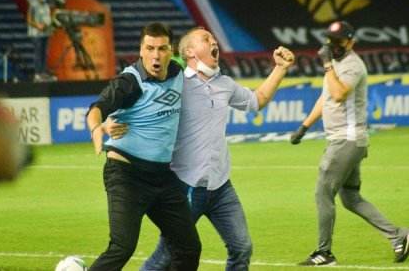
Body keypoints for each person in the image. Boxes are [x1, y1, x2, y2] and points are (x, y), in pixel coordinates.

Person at [119, 26, 293, 270]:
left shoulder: (226, 84)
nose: (214, 42)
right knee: (167, 255)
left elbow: (256, 101)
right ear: (190, 51)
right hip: (185, 187)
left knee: (242, 248)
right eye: (206, 39)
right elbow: (141, 100)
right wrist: (110, 120)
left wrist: (281, 68)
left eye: (213, 38)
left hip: (221, 187)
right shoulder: (175, 83)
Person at [290, 21, 409, 266]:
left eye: (339, 41)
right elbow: (325, 98)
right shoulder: (334, 66)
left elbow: (339, 93)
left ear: (351, 42)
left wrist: (326, 65)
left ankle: (324, 253)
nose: (333, 45)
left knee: (323, 192)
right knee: (351, 198)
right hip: (345, 139)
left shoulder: (353, 65)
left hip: (346, 139)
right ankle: (399, 235)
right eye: (330, 40)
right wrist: (304, 126)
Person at [86, 22, 201, 271]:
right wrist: (99, 128)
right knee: (122, 248)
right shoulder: (130, 81)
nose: (155, 55)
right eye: (150, 48)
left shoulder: (178, 72)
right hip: (127, 177)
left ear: (171, 50)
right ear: (141, 50)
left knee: (189, 246)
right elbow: (97, 108)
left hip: (163, 177)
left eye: (161, 48)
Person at [27, 0, 56, 82]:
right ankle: (37, 73)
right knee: (38, 54)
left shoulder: (47, 6)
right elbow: (29, 20)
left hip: (46, 33)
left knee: (44, 53)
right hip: (36, 34)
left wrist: (51, 26)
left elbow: (48, 18)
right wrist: (37, 25)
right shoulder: (33, 5)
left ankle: (43, 72)